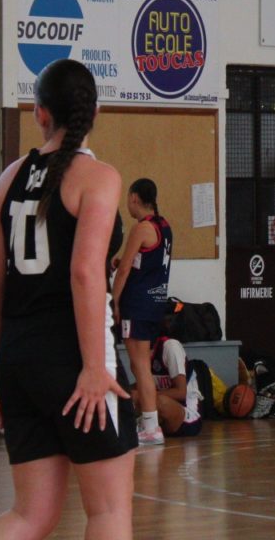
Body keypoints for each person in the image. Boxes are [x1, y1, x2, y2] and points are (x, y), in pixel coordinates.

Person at [0, 58, 135, 540]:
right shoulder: (99, 177)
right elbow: (85, 273)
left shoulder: (7, 180)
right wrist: (94, 367)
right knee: (107, 513)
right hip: (73, 360)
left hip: (16, 360)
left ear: (39, 113)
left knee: (30, 516)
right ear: (95, 113)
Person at [110, 178, 173, 446]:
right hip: (155, 303)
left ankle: (150, 426)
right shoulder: (164, 226)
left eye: (128, 198)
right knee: (142, 365)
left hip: (137, 304)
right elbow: (145, 262)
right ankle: (150, 422)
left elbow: (124, 269)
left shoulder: (141, 228)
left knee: (140, 367)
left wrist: (114, 301)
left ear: (134, 197)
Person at [132, 335, 201, 438]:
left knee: (157, 400)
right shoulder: (137, 353)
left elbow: (181, 393)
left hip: (187, 416)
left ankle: (146, 427)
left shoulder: (170, 346)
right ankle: (144, 427)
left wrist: (143, 395)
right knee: (128, 394)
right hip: (162, 416)